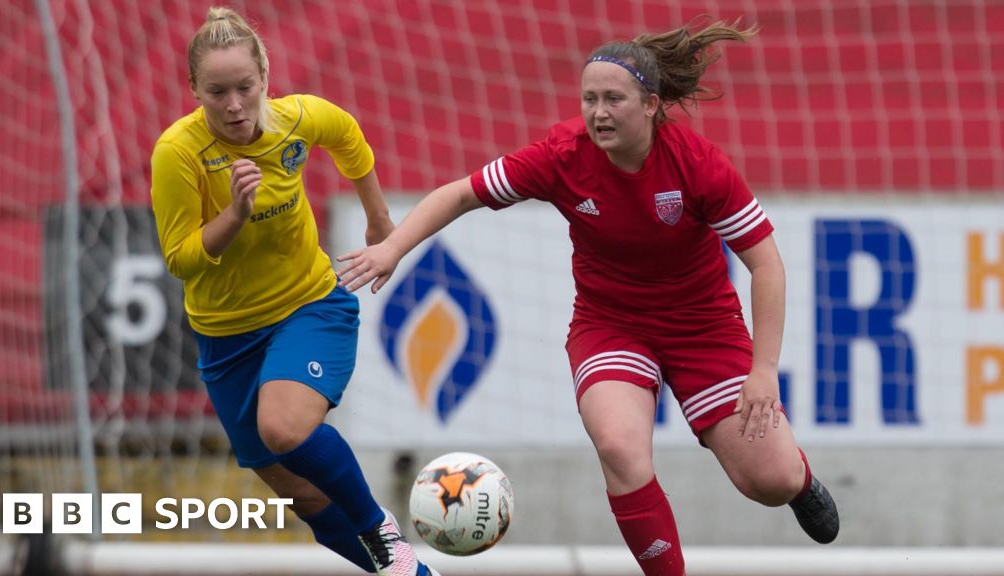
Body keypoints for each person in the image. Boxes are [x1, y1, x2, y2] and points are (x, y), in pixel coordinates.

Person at [337, 17, 839, 576]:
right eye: (589, 98)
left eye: (613, 99)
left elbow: (766, 264)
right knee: (620, 449)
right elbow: (460, 195)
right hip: (611, 325)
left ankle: (799, 480)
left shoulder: (699, 165)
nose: (598, 112)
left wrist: (763, 370)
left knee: (769, 483)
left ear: (650, 105)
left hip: (704, 328)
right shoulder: (561, 154)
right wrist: (394, 248)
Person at [149, 7, 439, 576]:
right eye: (217, 92)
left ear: (265, 78)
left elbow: (348, 136)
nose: (234, 105)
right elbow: (180, 260)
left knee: (282, 429)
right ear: (193, 90)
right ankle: (411, 573)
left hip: (309, 305)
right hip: (225, 337)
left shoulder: (298, 118)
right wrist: (234, 213)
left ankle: (381, 530)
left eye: (244, 88)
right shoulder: (177, 153)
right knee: (300, 495)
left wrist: (380, 222)